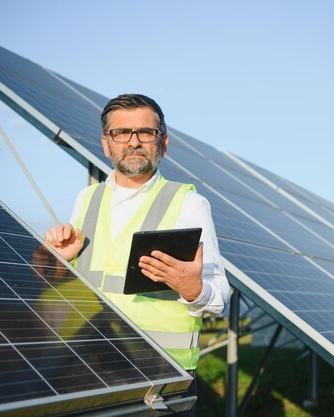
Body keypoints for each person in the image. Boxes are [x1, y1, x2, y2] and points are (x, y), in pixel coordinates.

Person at [44, 93, 230, 415]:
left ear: (163, 142)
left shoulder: (188, 204)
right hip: (84, 371)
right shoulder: (86, 198)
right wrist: (60, 261)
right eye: (121, 133)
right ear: (106, 143)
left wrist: (194, 289)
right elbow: (74, 290)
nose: (134, 142)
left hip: (160, 383)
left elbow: (219, 296)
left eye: (146, 132)